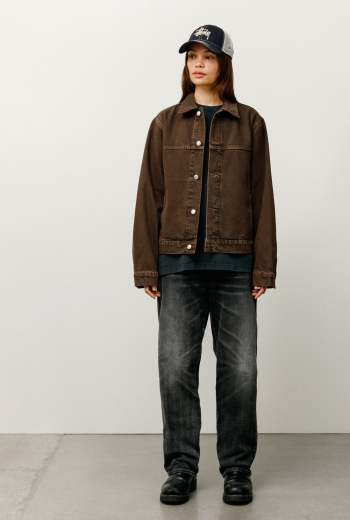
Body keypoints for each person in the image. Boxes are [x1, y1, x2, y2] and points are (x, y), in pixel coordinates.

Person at [132, 24, 277, 506]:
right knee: (175, 367)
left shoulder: (250, 123)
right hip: (176, 266)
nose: (198, 63)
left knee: (240, 372)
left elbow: (262, 196)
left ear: (223, 65)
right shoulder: (165, 124)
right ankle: (181, 469)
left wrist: (263, 267)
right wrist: (147, 266)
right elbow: (150, 195)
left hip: (236, 266)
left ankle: (237, 470)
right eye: (192, 55)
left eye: (208, 56)